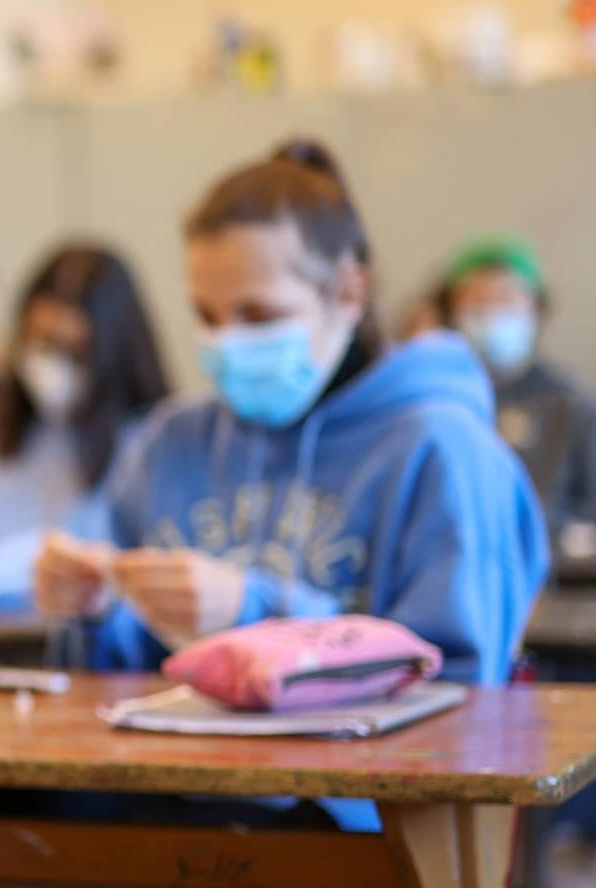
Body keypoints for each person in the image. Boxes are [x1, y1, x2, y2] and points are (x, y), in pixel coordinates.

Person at [34, 141, 547, 830]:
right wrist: (92, 606)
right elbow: (108, 679)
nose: (226, 344)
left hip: (366, 834)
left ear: (347, 293)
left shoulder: (443, 450)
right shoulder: (170, 442)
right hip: (170, 802)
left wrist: (254, 611)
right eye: (207, 317)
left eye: (258, 315)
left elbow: (462, 700)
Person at [0, 243, 170, 545]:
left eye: (74, 352)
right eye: (41, 344)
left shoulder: (156, 442)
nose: (53, 366)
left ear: (114, 350)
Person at [441, 235, 596, 553]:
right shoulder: (437, 405)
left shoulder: (578, 409)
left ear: (535, 308)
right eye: (476, 301)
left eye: (506, 300)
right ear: (451, 311)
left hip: (562, 587)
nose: (491, 313)